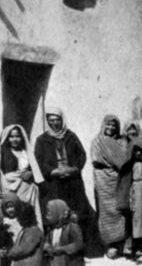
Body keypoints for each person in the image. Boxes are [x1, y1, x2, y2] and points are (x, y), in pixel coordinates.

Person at [35, 107, 102, 257]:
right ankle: (55, 247)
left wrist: (74, 169)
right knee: (56, 212)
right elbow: (38, 160)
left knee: (77, 211)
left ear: (62, 120)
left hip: (72, 182)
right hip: (53, 183)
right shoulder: (41, 140)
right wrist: (53, 171)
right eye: (51, 120)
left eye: (57, 120)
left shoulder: (71, 136)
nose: (54, 123)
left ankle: (80, 246)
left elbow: (82, 155)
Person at [90, 115, 128, 259]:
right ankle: (110, 244)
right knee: (106, 212)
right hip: (103, 180)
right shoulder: (97, 141)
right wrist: (111, 164)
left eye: (113, 126)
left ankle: (122, 243)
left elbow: (124, 160)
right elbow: (96, 160)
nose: (110, 128)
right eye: (108, 125)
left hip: (119, 179)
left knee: (120, 210)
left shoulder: (122, 141)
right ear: (103, 125)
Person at [0, 124, 44, 230]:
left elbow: (35, 169)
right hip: (10, 188)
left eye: (17, 136)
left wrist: (30, 174)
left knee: (27, 215)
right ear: (7, 138)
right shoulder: (3, 152)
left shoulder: (26, 152)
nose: (15, 139)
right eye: (12, 136)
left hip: (27, 189)